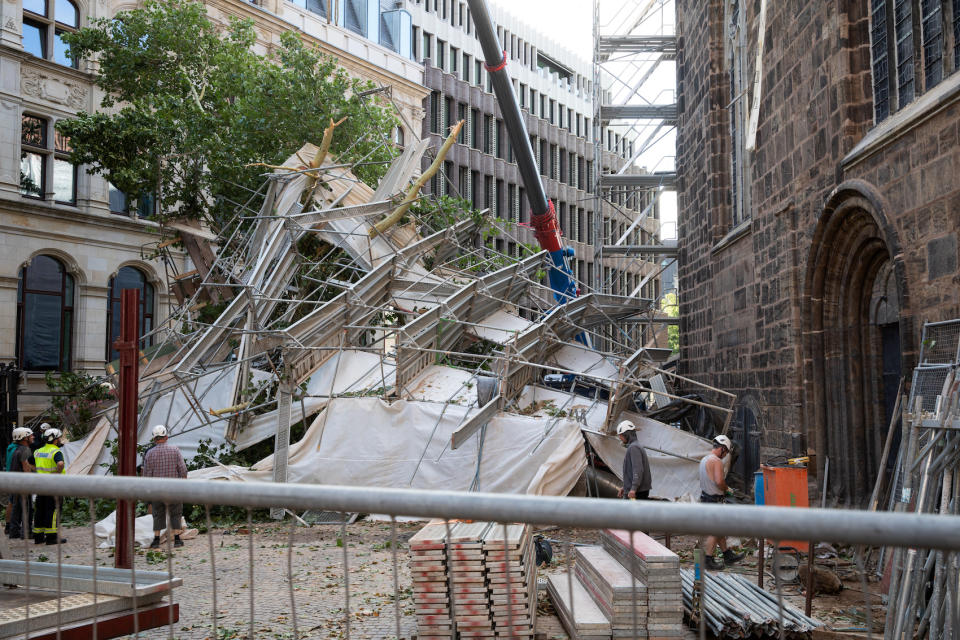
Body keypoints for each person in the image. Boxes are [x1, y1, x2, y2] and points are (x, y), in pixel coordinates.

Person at [700, 435, 745, 570]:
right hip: (714, 500)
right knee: (715, 530)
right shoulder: (716, 461)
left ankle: (727, 554)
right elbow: (719, 482)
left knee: (718, 530)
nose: (725, 456)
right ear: (722, 449)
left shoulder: (704, 459)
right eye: (725, 453)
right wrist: (727, 489)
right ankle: (708, 559)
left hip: (706, 498)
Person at [141, 425, 187, 548]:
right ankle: (177, 539)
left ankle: (156, 540)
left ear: (154, 439)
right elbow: (183, 470)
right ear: (166, 437)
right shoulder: (175, 450)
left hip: (157, 490)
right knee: (176, 513)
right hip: (174, 489)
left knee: (157, 514)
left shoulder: (149, 454)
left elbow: (147, 476)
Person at [32, 425, 67, 545]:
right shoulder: (56, 451)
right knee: (53, 510)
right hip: (54, 485)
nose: (60, 440)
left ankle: (38, 536)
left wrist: (37, 471)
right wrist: (55, 473)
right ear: (55, 440)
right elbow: (60, 464)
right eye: (59, 438)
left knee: (40, 509)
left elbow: (29, 463)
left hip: (41, 484)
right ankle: (52, 537)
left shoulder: (38, 451)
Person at [8, 427, 35, 540]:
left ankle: (14, 532)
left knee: (17, 508)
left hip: (15, 483)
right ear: (24, 438)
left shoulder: (16, 450)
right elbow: (26, 467)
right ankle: (26, 532)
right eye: (30, 436)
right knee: (27, 509)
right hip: (23, 485)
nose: (33, 437)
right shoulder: (25, 450)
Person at [616, 420, 652, 500]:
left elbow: (638, 470)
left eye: (621, 435)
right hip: (638, 490)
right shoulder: (636, 445)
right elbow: (633, 472)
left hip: (637, 492)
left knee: (633, 512)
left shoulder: (634, 448)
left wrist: (633, 489)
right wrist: (625, 487)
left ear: (626, 435)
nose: (620, 438)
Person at [3, 427, 25, 536]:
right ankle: (11, 527)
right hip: (15, 479)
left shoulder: (11, 447)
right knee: (14, 503)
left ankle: (9, 526)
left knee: (11, 503)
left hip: (10, 477)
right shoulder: (19, 450)